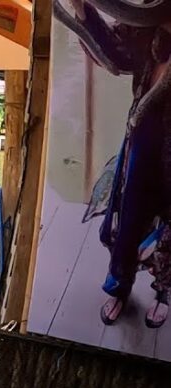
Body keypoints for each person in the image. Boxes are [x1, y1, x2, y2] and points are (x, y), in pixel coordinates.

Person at [58, 0, 171, 328]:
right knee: (129, 217)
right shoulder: (149, 31)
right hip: (142, 137)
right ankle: (121, 287)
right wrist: (83, 11)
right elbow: (117, 57)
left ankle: (162, 291)